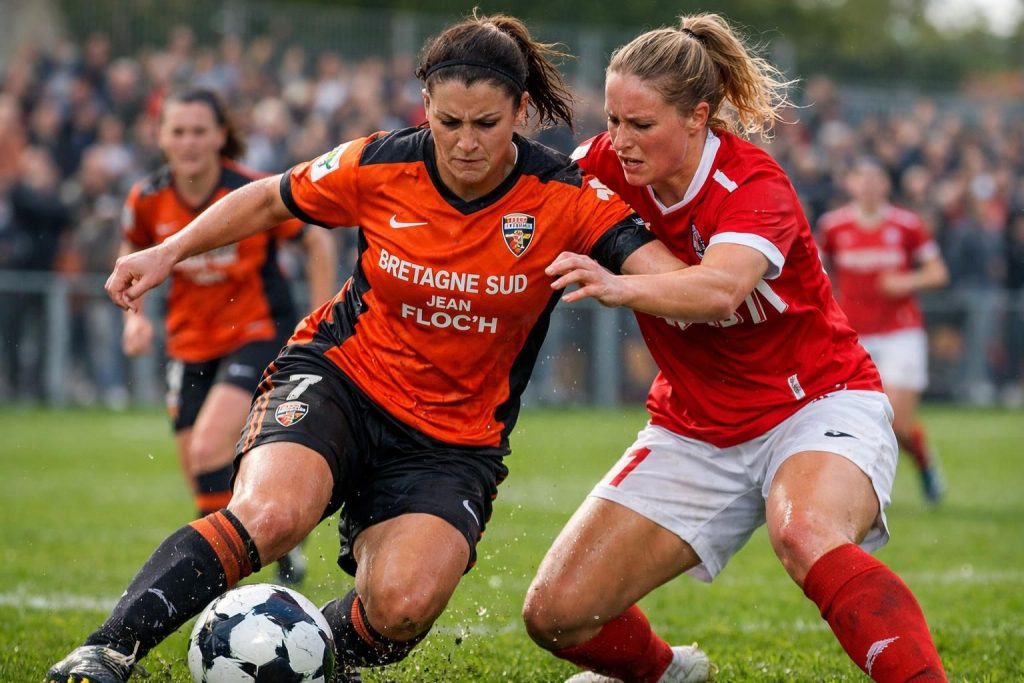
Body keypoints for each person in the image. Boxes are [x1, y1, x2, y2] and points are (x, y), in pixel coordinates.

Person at [45, 12, 682, 683]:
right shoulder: (382, 160)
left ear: (521, 111)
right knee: (271, 514)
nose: (465, 142)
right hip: (342, 379)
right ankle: (106, 650)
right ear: (426, 106)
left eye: (486, 125)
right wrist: (169, 250)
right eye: (449, 121)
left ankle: (316, 655)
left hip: (454, 438)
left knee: (403, 607)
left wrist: (650, 280)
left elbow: (665, 273)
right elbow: (268, 199)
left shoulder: (566, 196)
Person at [523, 14, 947, 683]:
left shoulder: (753, 183)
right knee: (556, 612)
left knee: (804, 531)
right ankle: (671, 673)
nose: (620, 141)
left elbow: (720, 291)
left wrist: (617, 283)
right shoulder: (601, 165)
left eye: (642, 124)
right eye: (612, 120)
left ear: (698, 116)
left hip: (814, 402)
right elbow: (526, 212)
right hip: (694, 423)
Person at [118, 87, 337, 582]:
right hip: (187, 343)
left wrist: (322, 314)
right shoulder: (147, 199)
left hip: (256, 332)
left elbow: (316, 242)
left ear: (221, 136)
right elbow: (133, 249)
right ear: (160, 137)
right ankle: (270, 541)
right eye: (178, 131)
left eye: (200, 130)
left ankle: (215, 583)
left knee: (209, 449)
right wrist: (134, 317)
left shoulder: (248, 192)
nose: (189, 141)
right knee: (204, 474)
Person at [818, 157, 950, 504]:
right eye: (862, 178)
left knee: (896, 422)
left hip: (900, 333)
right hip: (853, 335)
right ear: (850, 184)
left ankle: (924, 462)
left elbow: (938, 273)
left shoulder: (906, 225)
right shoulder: (833, 226)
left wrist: (907, 279)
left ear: (886, 186)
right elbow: (817, 274)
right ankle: (863, 492)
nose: (869, 186)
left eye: (876, 179)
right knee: (847, 418)